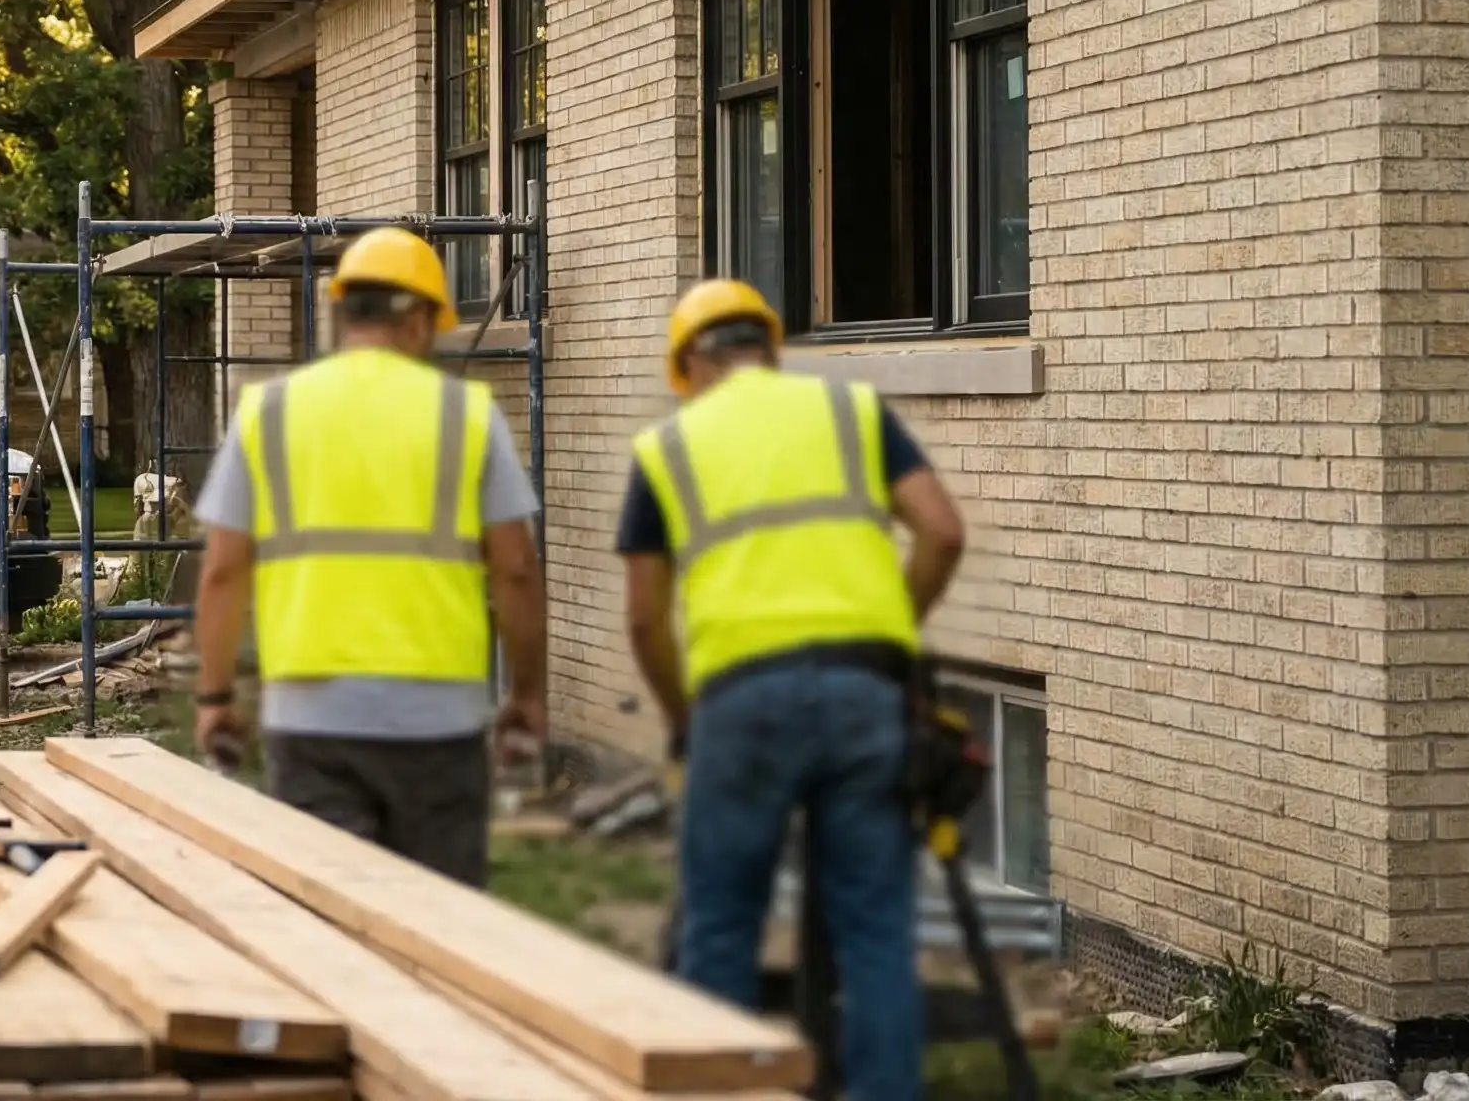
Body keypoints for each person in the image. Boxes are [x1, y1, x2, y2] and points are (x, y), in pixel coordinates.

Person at [619, 279, 966, 1101]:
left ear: (692, 364)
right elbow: (943, 531)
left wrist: (682, 717)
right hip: (864, 696)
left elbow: (643, 619)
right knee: (875, 932)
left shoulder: (665, 449)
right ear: (769, 347)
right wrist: (889, 633)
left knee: (720, 926)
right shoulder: (850, 413)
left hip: (737, 707)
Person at [189, 227, 546, 885]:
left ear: (343, 311)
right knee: (443, 929)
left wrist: (214, 696)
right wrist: (525, 692)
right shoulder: (466, 416)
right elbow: (517, 569)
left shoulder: (267, 412)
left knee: (333, 925)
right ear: (416, 321)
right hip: (438, 720)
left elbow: (222, 571)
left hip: (311, 717)